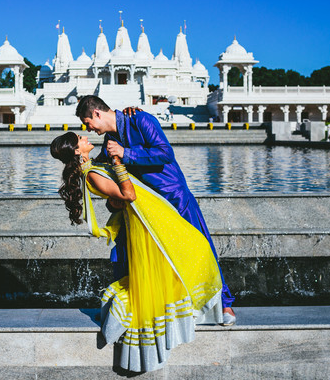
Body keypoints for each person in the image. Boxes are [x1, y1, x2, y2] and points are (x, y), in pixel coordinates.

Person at [50, 132, 223, 372]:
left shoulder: (93, 167)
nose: (83, 135)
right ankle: (177, 318)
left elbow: (117, 195)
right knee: (196, 250)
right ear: (78, 151)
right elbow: (128, 195)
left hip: (151, 211)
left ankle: (190, 315)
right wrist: (119, 163)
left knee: (192, 251)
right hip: (146, 221)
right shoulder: (91, 175)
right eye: (79, 138)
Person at [75, 95, 235, 323]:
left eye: (87, 122)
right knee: (133, 254)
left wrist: (125, 153)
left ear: (97, 114)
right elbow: (103, 171)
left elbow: (165, 153)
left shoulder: (140, 120)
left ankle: (226, 306)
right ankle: (143, 309)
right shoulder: (110, 137)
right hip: (146, 208)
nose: (88, 128)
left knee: (201, 248)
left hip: (174, 197)